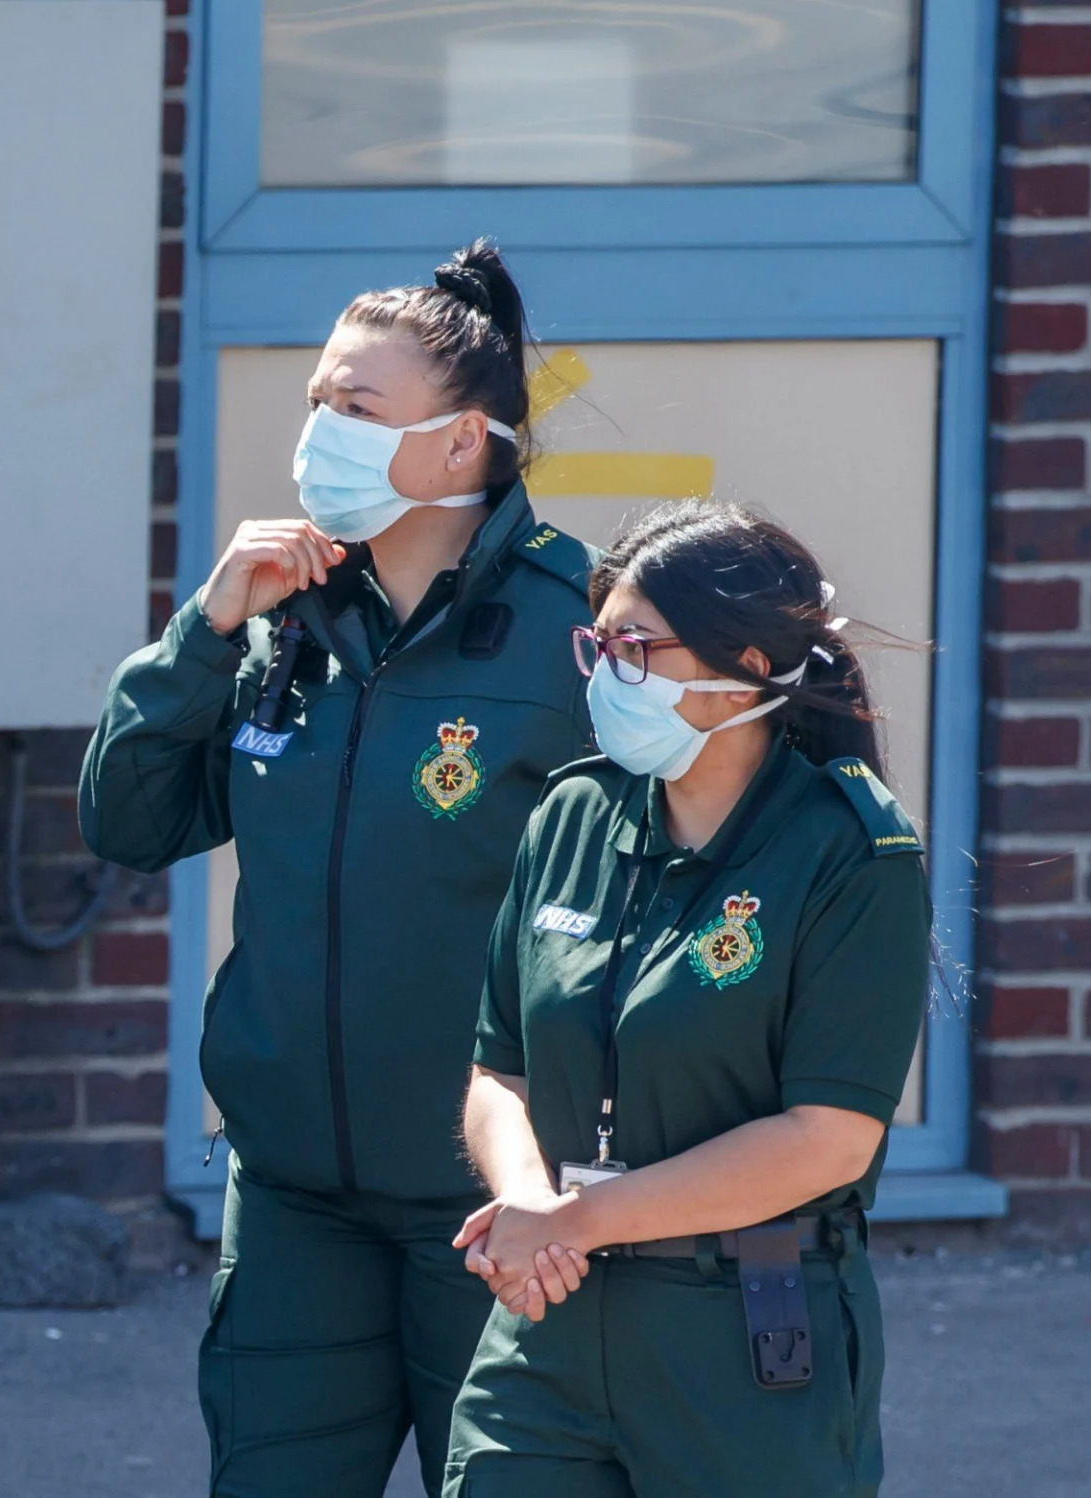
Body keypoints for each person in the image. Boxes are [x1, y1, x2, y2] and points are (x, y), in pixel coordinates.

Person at [79, 241, 600, 1497]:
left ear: (466, 443)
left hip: (492, 1210)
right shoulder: (279, 619)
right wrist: (203, 632)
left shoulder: (573, 629)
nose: (321, 431)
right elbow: (129, 822)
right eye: (317, 400)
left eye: (357, 409)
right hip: (294, 1198)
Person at [439, 502, 930, 1498]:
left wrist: (577, 1221)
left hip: (739, 1337)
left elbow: (828, 1138)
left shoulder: (849, 851)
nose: (604, 673)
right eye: (599, 644)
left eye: (635, 647)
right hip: (551, 1324)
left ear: (746, 667)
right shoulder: (571, 814)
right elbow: (499, 1069)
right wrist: (532, 1201)